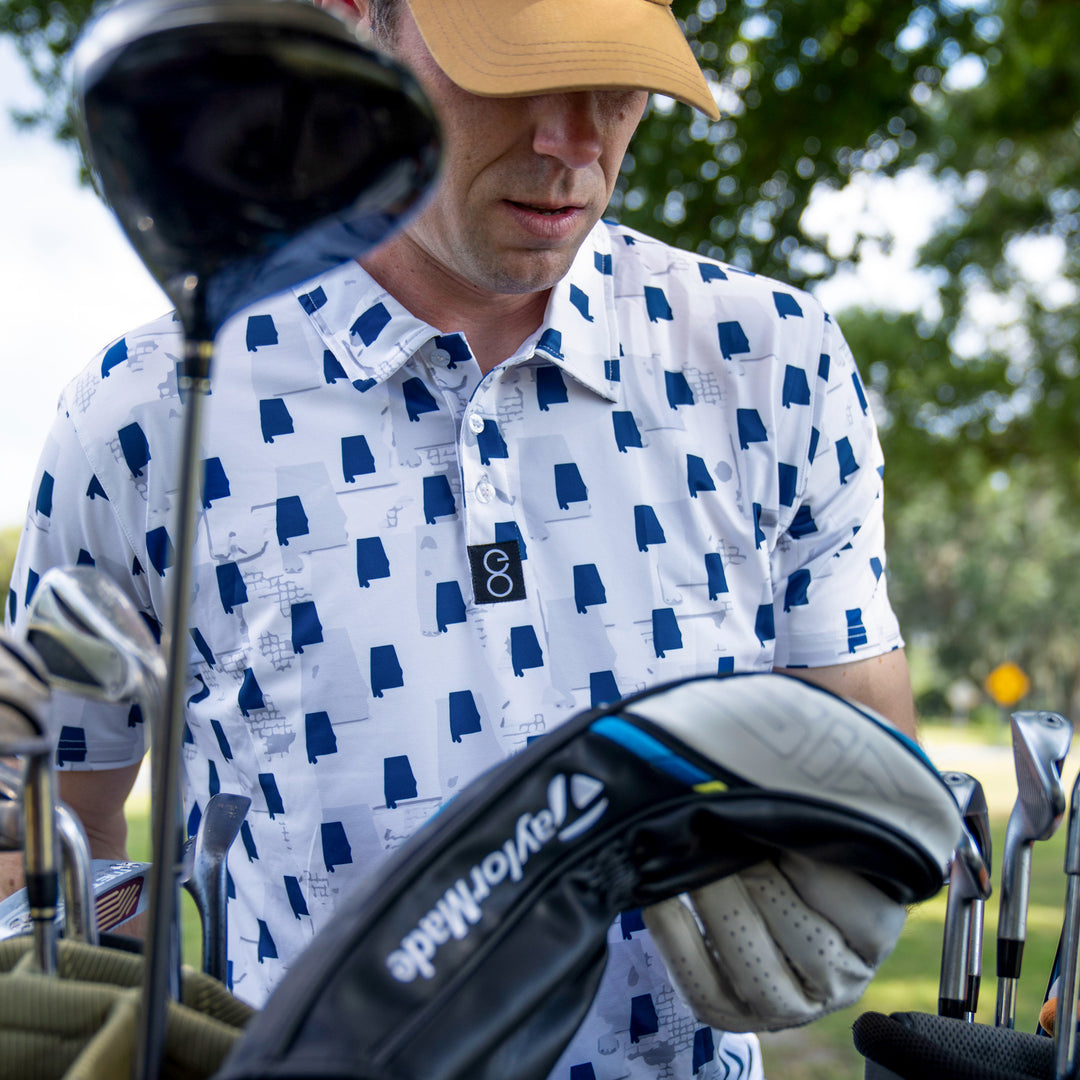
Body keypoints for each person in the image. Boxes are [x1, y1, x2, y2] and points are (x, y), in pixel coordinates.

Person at [4, 0, 916, 1077]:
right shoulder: (142, 411)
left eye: (618, 83)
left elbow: (864, 757)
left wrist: (853, 865)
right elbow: (40, 832)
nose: (571, 144)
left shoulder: (776, 362)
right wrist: (104, 953)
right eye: (515, 69)